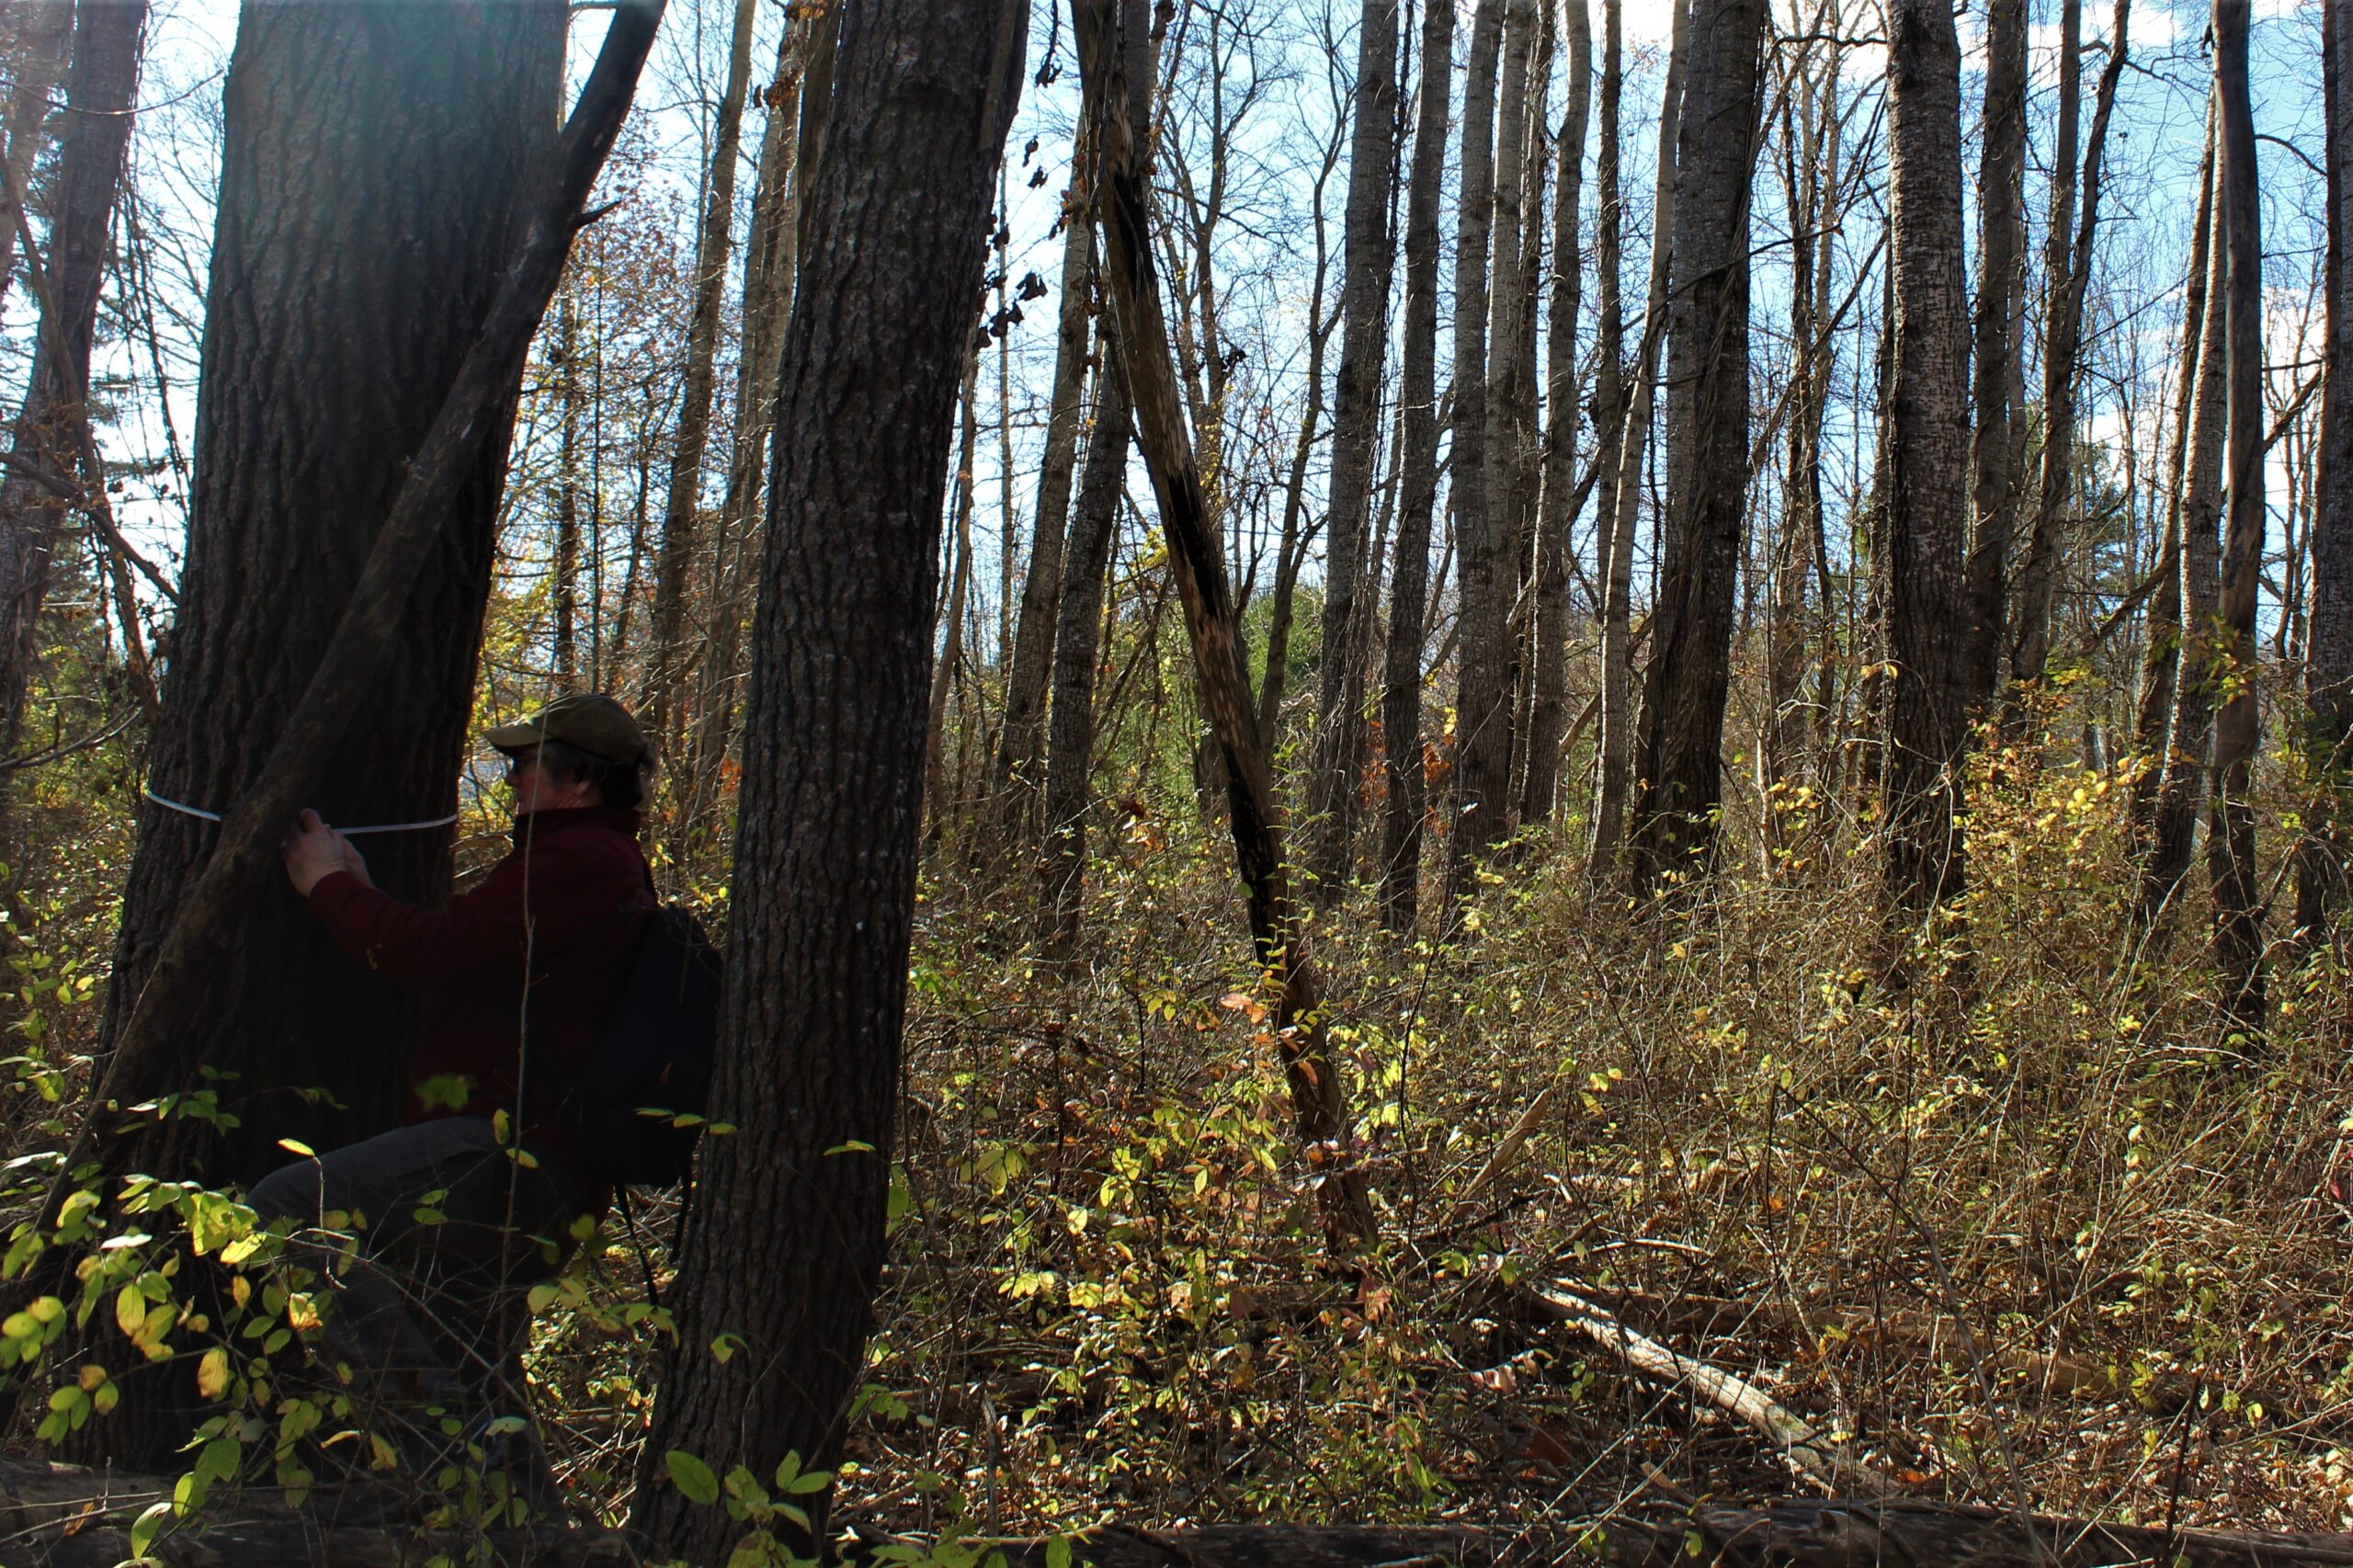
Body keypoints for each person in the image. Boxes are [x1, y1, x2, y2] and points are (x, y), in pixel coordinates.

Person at [254, 692, 656, 1523]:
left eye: (526, 764)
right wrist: (365, 894)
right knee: (473, 1362)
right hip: (543, 1169)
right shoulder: (593, 861)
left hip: (509, 1153)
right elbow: (472, 957)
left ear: (579, 782)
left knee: (289, 1213)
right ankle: (529, 1534)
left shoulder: (574, 863)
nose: (511, 779)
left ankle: (452, 1476)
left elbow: (437, 955)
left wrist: (330, 888)